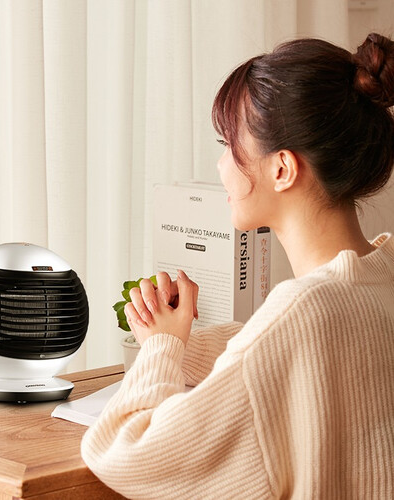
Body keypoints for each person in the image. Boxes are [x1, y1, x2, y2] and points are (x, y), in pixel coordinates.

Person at [81, 33, 394, 499]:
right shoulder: (379, 277)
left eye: (228, 143)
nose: (221, 163)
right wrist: (181, 342)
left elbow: (125, 451)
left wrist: (161, 348)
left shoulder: (303, 311)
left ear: (282, 169)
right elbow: (284, 351)